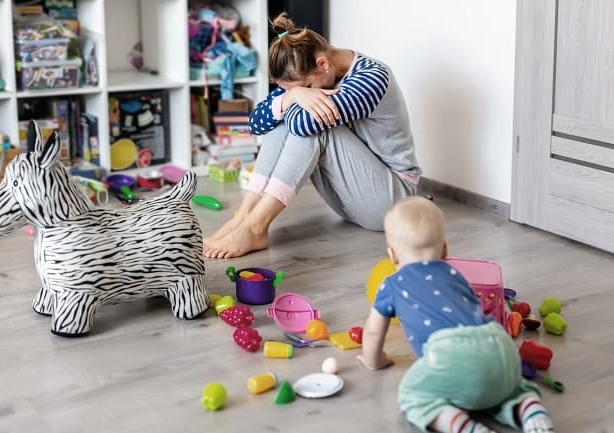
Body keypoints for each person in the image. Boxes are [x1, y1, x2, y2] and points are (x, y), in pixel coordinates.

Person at [203, 13, 421, 258]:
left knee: (312, 125)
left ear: (322, 64)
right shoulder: (305, 74)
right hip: (351, 200)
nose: (302, 93)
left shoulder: (371, 77)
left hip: (392, 202)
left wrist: (292, 99)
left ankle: (256, 226)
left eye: (304, 87)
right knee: (282, 116)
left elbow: (302, 126)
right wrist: (293, 96)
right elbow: (255, 123)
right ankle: (245, 216)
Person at [357, 196, 555, 433]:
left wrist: (374, 361)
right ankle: (529, 409)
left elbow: (372, 331)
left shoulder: (391, 284)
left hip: (450, 355)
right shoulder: (454, 273)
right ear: (445, 250)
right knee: (511, 387)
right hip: (497, 342)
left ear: (392, 256)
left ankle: (462, 426)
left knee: (412, 395)